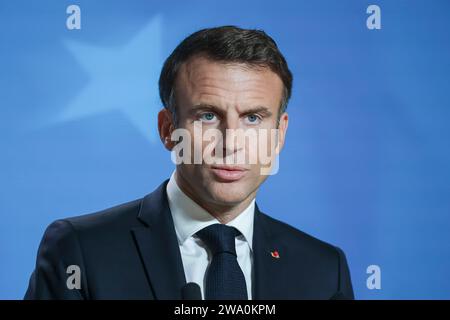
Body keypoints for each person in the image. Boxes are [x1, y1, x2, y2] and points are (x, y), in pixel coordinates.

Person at [25, 26, 354, 300]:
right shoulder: (80, 251)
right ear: (168, 129)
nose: (232, 143)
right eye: (208, 116)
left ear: (279, 134)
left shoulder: (325, 271)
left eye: (253, 118)